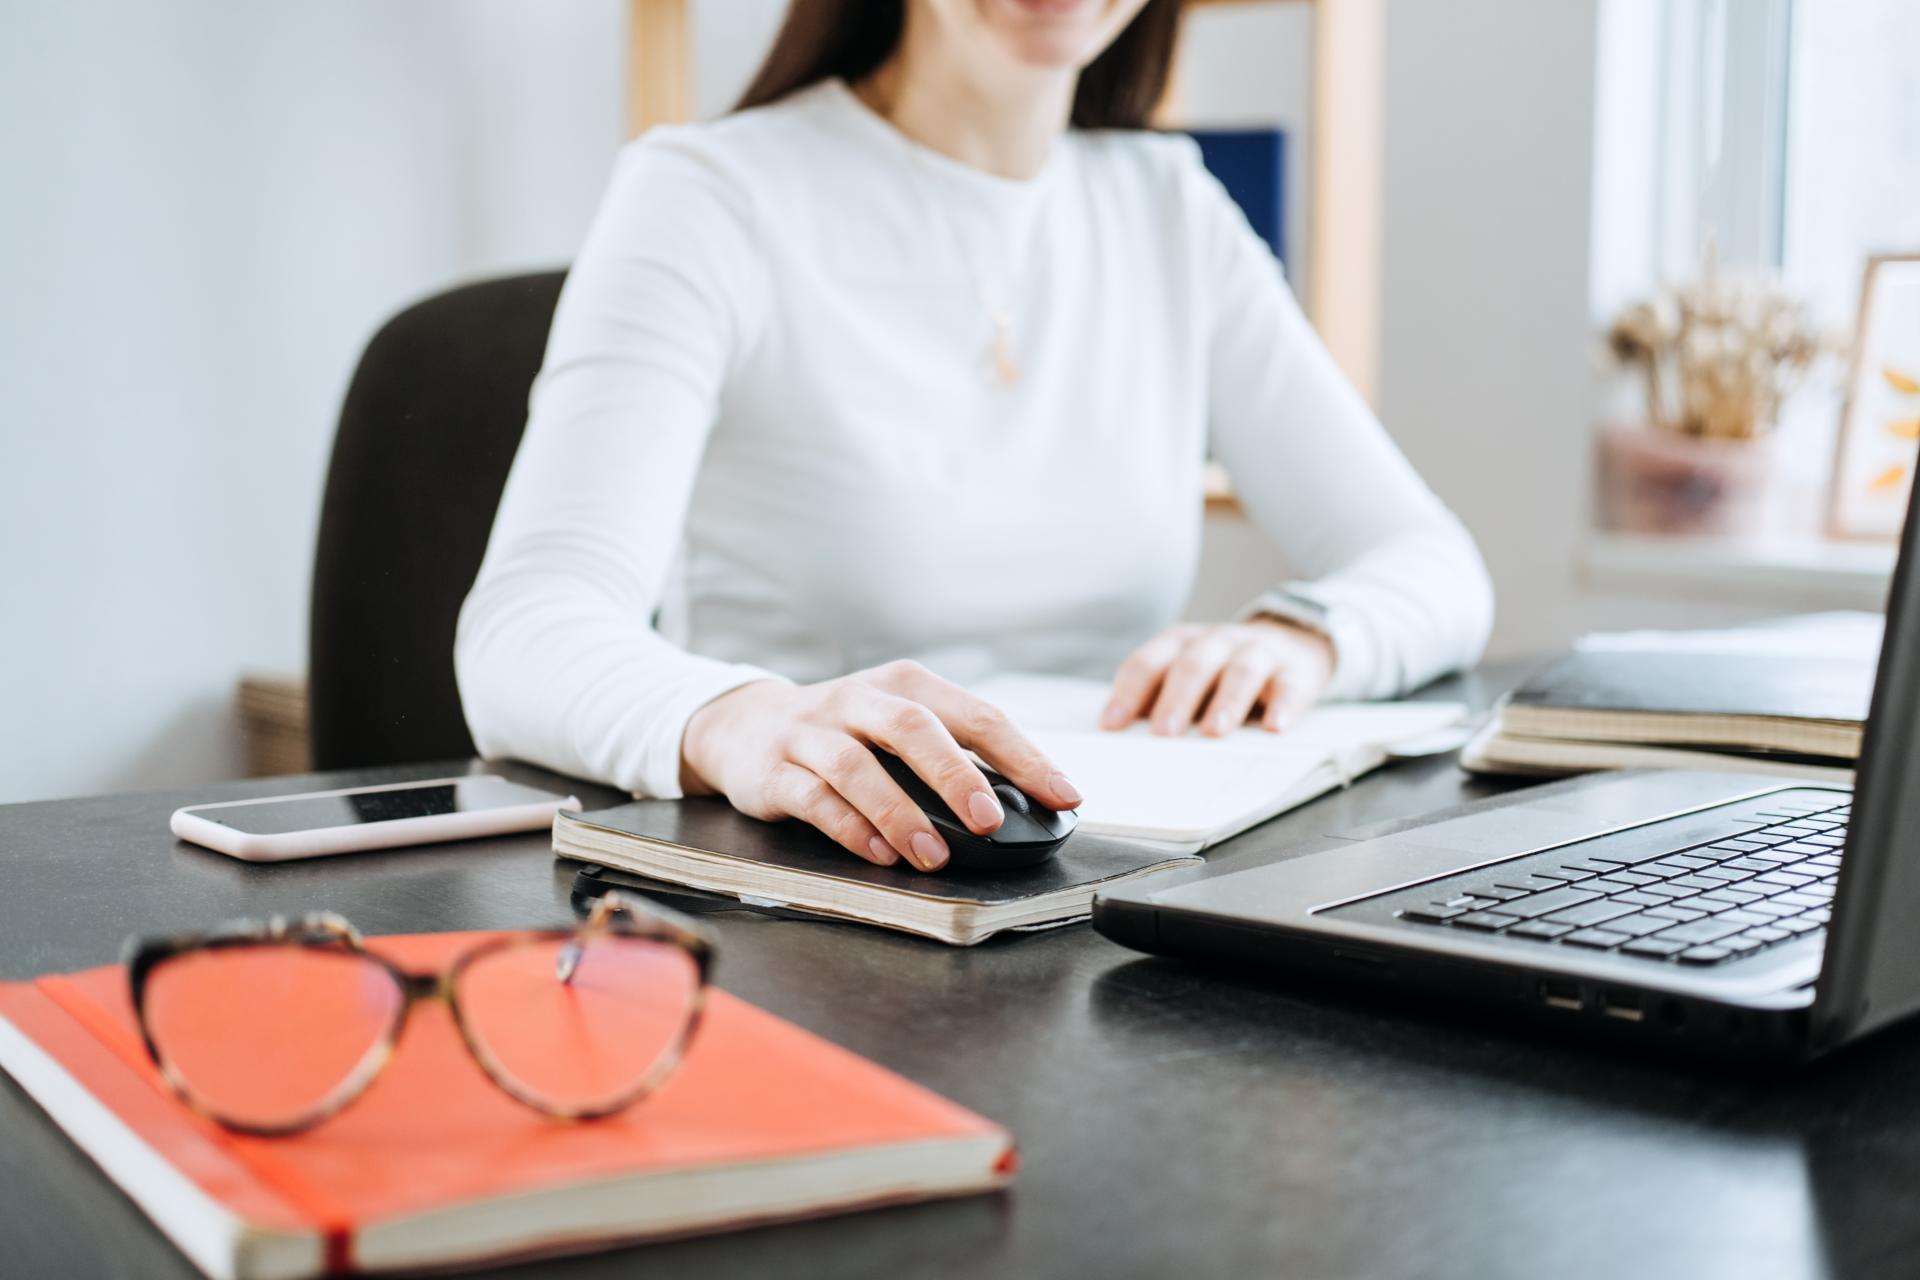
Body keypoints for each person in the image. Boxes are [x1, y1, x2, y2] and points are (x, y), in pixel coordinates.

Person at [455, 0, 1493, 875]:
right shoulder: (707, 194)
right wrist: (740, 719)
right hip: (813, 880)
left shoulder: (1169, 208)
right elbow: (523, 632)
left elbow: (1433, 563)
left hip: (1095, 877)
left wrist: (1301, 635)